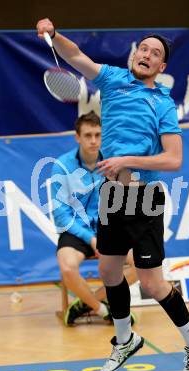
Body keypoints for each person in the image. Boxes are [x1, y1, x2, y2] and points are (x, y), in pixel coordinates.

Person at [37, 20, 189, 371]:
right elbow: (75, 57)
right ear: (135, 55)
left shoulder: (162, 103)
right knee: (108, 271)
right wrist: (53, 35)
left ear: (161, 68)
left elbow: (173, 159)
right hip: (111, 195)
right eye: (143, 49)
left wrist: (125, 161)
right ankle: (125, 339)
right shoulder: (113, 79)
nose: (147, 55)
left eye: (156, 54)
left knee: (152, 284)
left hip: (144, 197)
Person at [51, 111, 138, 326]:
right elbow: (61, 214)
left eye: (98, 135)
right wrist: (91, 239)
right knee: (68, 267)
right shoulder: (62, 166)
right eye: (88, 135)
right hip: (76, 231)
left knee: (145, 261)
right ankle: (102, 310)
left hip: (110, 229)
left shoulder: (115, 164)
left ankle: (87, 303)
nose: (93, 141)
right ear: (77, 137)